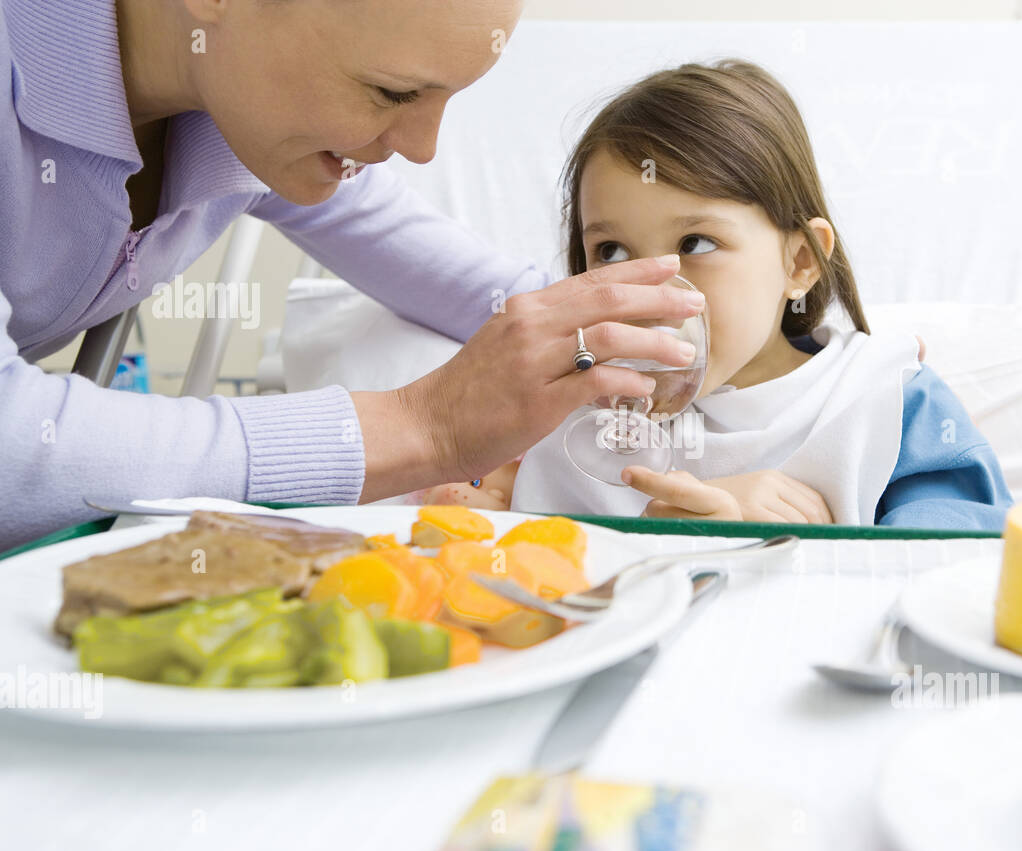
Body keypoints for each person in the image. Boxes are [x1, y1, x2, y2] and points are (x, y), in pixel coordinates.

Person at [0, 0, 698, 552]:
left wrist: (641, 341)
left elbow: (462, 279)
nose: (423, 150)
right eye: (393, 92)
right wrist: (425, 426)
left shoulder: (245, 110)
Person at [427, 60, 1013, 529]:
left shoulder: (885, 397)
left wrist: (776, 538)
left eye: (697, 242)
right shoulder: (574, 402)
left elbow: (961, 552)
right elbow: (529, 538)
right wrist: (487, 500)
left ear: (800, 261)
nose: (653, 284)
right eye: (612, 252)